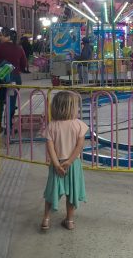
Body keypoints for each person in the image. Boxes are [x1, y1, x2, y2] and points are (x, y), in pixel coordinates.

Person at [41, 91, 88, 231]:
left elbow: (50, 148)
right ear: (72, 108)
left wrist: (56, 165)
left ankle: (46, 219)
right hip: (73, 164)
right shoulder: (79, 125)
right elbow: (80, 146)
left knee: (52, 192)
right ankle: (70, 221)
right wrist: (69, 162)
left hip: (57, 165)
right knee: (71, 193)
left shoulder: (51, 126)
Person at [0, 27, 27, 131]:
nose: (0, 37)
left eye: (2, 35)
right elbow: (24, 65)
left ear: (8, 37)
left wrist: (1, 66)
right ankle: (9, 126)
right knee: (11, 102)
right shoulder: (19, 48)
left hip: (0, 78)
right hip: (14, 77)